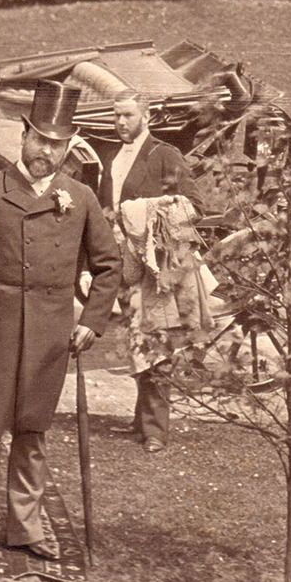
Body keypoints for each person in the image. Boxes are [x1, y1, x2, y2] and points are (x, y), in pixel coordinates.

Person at [0, 80, 121, 570]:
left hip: (49, 334)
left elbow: (110, 265)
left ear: (69, 147)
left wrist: (93, 321)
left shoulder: (80, 198)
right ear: (23, 135)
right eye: (40, 139)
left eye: (58, 144)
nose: (47, 151)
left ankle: (25, 530)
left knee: (31, 433)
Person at [94, 91, 205, 454]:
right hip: (124, 264)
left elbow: (194, 205)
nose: (120, 123)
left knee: (157, 344)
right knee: (137, 342)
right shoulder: (112, 158)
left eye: (127, 115)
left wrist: (144, 210)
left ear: (146, 116)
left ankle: (156, 429)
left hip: (157, 267)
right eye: (115, 116)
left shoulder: (163, 155)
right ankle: (142, 422)